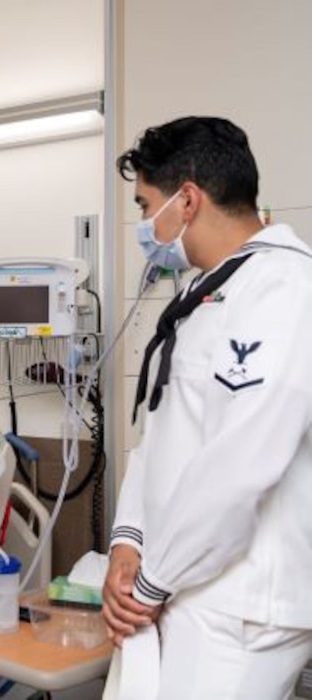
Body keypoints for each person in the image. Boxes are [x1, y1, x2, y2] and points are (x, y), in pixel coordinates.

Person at [103, 117, 312, 698]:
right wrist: (128, 545)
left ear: (187, 200)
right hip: (185, 586)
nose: (145, 225)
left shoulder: (283, 288)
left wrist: (151, 581)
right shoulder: (205, 295)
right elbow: (164, 437)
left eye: (147, 206)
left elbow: (243, 462)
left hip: (242, 606)